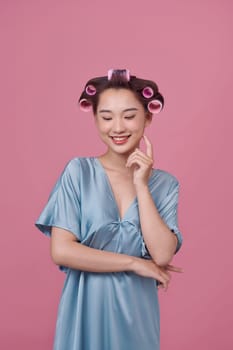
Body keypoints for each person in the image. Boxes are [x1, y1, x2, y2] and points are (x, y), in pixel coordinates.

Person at [35, 68, 183, 350]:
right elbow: (62, 251)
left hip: (137, 313)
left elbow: (162, 254)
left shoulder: (165, 184)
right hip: (84, 310)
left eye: (129, 116)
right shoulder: (78, 172)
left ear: (147, 117)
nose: (117, 127)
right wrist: (134, 262)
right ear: (95, 119)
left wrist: (142, 184)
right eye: (106, 117)